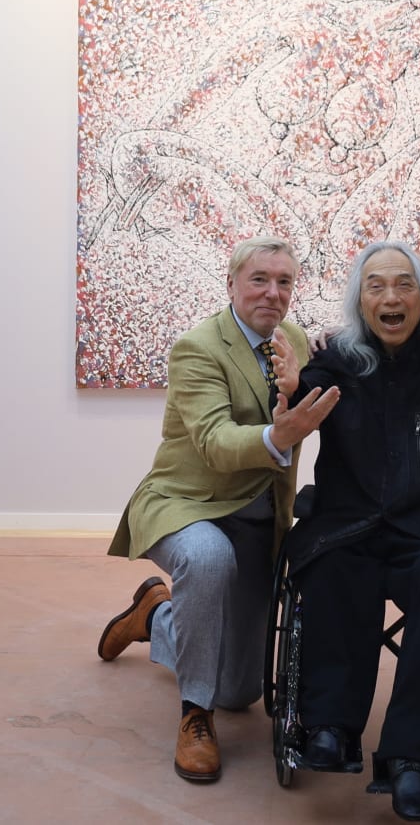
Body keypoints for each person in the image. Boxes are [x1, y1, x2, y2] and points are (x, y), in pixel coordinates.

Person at [99, 235, 340, 784]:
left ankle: (156, 615)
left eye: (284, 282)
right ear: (231, 283)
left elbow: (323, 384)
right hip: (186, 504)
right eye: (259, 279)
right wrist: (278, 436)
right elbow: (214, 440)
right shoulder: (197, 347)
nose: (272, 293)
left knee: (240, 692)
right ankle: (194, 718)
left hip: (257, 517)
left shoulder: (294, 340)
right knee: (208, 560)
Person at [285, 240, 420, 822]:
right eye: (376, 285)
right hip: (345, 523)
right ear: (360, 301)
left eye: (404, 284)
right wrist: (286, 385)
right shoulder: (335, 361)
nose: (391, 297)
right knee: (332, 571)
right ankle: (329, 725)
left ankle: (413, 759)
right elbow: (298, 400)